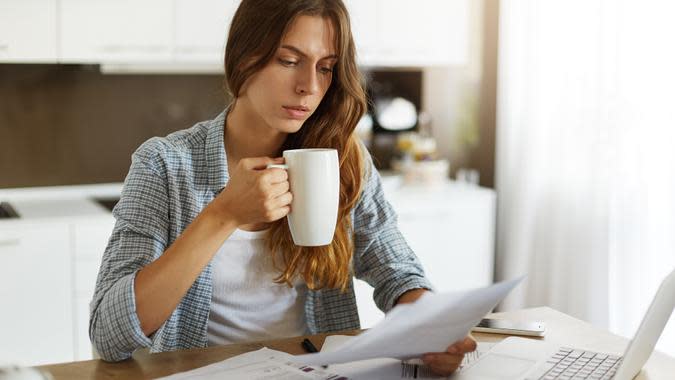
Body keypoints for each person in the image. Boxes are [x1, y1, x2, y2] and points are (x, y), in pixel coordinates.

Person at [89, 0, 476, 375]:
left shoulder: (343, 158)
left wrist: (434, 327)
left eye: (325, 68)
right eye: (289, 61)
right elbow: (108, 335)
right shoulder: (165, 165)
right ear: (243, 58)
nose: (309, 86)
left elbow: (396, 270)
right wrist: (223, 215)